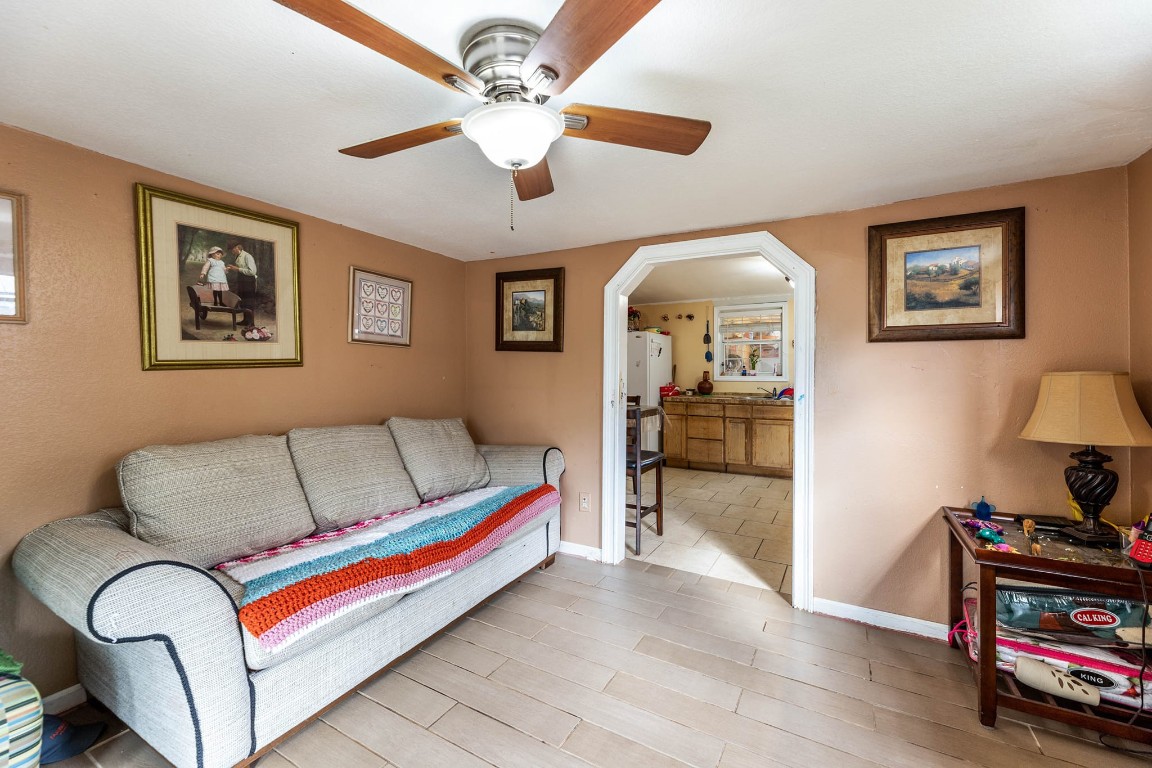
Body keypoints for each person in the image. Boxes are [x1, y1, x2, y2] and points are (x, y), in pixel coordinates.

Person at [226, 240, 258, 309]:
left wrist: (237, 269)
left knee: (248, 301)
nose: (232, 252)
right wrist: (232, 268)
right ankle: (245, 319)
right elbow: (241, 268)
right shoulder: (237, 256)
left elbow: (252, 272)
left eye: (232, 250)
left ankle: (249, 320)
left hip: (249, 281)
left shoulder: (247, 256)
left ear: (237, 248)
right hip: (242, 280)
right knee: (243, 300)